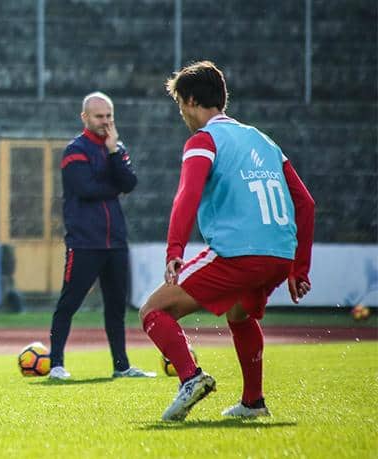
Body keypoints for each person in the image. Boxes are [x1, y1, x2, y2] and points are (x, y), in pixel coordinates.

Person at [140, 61, 315, 421]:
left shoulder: (203, 141)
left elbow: (186, 196)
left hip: (239, 253)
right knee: (240, 314)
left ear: (190, 101)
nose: (182, 115)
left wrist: (175, 251)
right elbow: (306, 203)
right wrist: (299, 267)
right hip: (280, 255)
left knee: (153, 312)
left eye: (180, 106)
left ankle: (191, 378)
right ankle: (253, 403)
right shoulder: (264, 141)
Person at [48, 92, 155, 380]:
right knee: (68, 303)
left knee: (116, 307)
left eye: (109, 116)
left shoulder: (115, 148)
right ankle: (56, 364)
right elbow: (86, 189)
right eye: (99, 116)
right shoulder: (75, 150)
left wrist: (113, 153)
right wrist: (114, 185)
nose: (106, 121)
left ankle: (121, 366)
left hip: (115, 243)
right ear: (85, 117)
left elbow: (129, 183)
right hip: (84, 242)